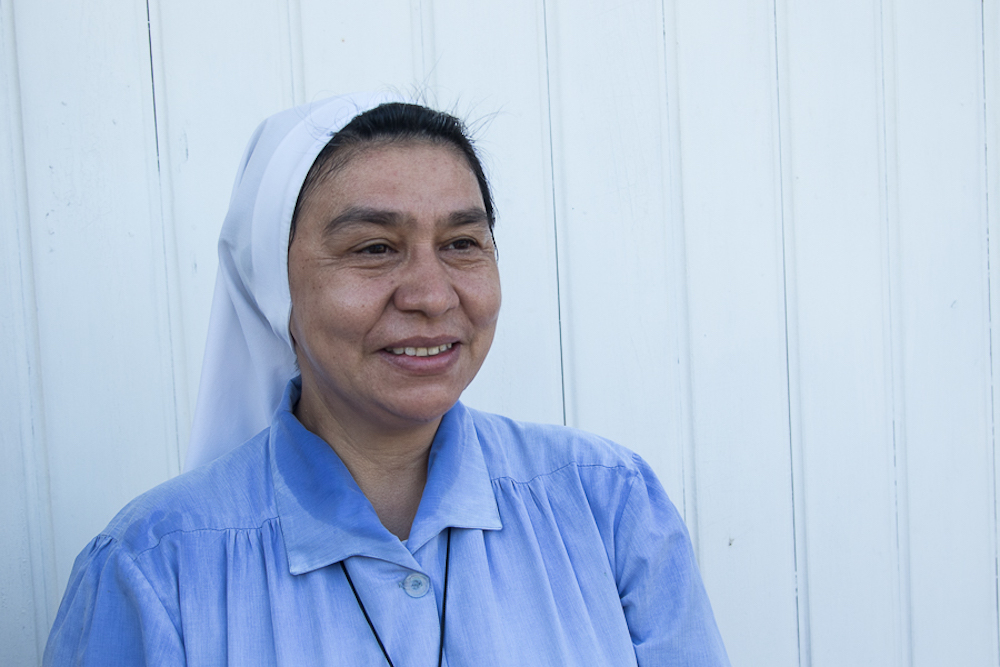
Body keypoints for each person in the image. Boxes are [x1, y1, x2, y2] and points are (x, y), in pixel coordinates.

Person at [44, 94, 730, 666]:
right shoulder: (152, 572)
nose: (432, 294)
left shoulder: (609, 506)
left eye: (462, 243)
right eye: (374, 248)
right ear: (273, 284)